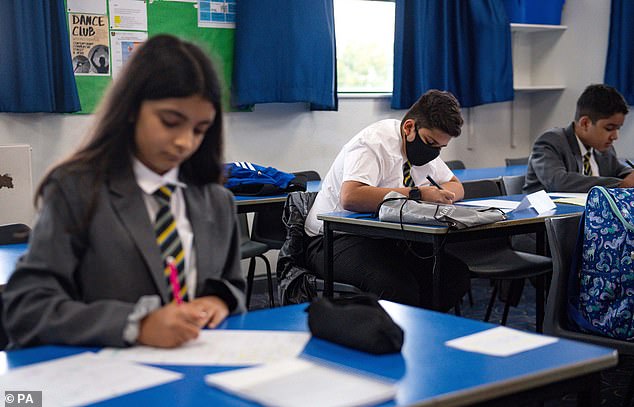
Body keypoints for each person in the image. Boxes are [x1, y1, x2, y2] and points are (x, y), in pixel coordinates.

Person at [2, 34, 246, 349]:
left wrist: (219, 300)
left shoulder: (216, 201)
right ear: (132, 108)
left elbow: (232, 285)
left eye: (200, 129)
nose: (185, 142)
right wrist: (137, 325)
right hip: (102, 379)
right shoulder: (76, 190)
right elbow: (27, 307)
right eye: (170, 122)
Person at [304, 89, 470, 309]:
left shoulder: (427, 148)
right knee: (397, 287)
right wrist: (418, 194)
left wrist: (441, 196)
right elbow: (351, 196)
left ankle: (418, 332)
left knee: (452, 276)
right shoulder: (373, 143)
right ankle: (392, 337)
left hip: (385, 236)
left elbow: (456, 186)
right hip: (333, 237)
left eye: (441, 147)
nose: (434, 152)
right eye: (431, 144)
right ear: (409, 127)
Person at [524, 84, 632, 193]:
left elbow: (620, 171)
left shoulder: (605, 150)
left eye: (618, 128)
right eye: (609, 128)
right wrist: (619, 184)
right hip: (549, 209)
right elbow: (559, 182)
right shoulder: (550, 142)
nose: (615, 136)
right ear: (585, 123)